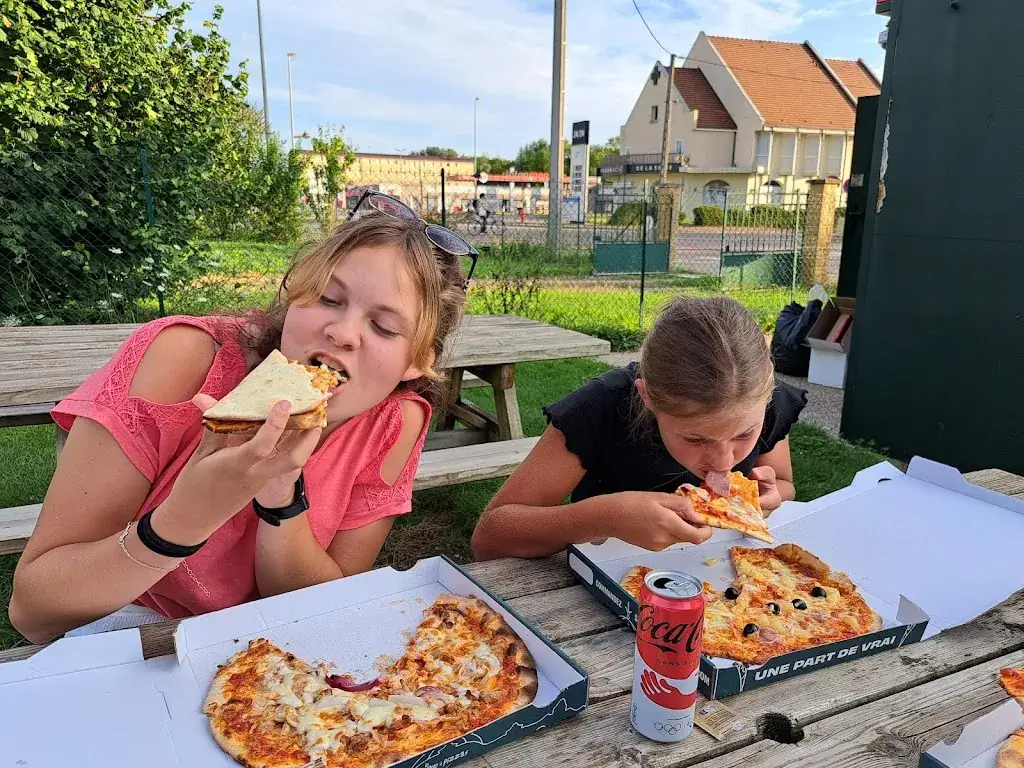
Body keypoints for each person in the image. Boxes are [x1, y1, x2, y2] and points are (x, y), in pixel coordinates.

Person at [9, 200, 476, 643]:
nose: (341, 331)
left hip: (267, 658)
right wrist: (182, 520)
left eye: (384, 327)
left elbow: (322, 610)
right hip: (132, 626)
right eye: (328, 298)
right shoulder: (182, 359)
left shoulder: (397, 421)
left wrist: (282, 498)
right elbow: (33, 611)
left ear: (418, 361)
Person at [471, 295, 808, 561]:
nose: (723, 461)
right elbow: (489, 538)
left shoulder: (764, 400)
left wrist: (770, 496)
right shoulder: (599, 409)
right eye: (695, 438)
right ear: (647, 398)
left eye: (744, 434)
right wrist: (605, 517)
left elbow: (783, 483)